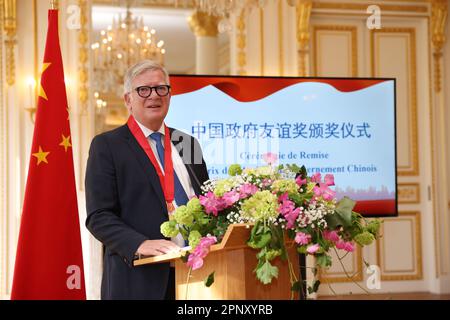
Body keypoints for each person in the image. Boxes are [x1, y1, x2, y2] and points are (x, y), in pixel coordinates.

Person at [85, 60, 209, 300]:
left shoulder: (188, 143)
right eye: (144, 90)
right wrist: (139, 244)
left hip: (194, 277)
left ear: (170, 96)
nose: (154, 95)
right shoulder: (107, 146)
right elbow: (98, 216)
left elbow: (206, 200)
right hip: (138, 279)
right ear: (128, 100)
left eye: (161, 88)